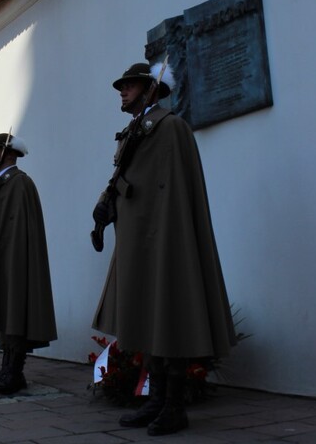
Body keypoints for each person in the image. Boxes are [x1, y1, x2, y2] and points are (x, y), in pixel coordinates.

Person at [91, 62, 238, 436]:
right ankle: (155, 400)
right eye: (121, 85)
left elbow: (169, 190)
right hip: (138, 238)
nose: (122, 91)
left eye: (129, 85)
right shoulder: (135, 131)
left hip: (164, 239)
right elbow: (127, 179)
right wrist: (105, 206)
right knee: (146, 317)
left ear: (151, 89)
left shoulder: (170, 127)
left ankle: (174, 406)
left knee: (169, 317)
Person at [0, 132, 57, 395]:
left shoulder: (20, 184)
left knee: (15, 312)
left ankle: (15, 371)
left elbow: (20, 229)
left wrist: (12, 260)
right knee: (3, 313)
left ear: (8, 153)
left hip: (14, 260)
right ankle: (6, 368)